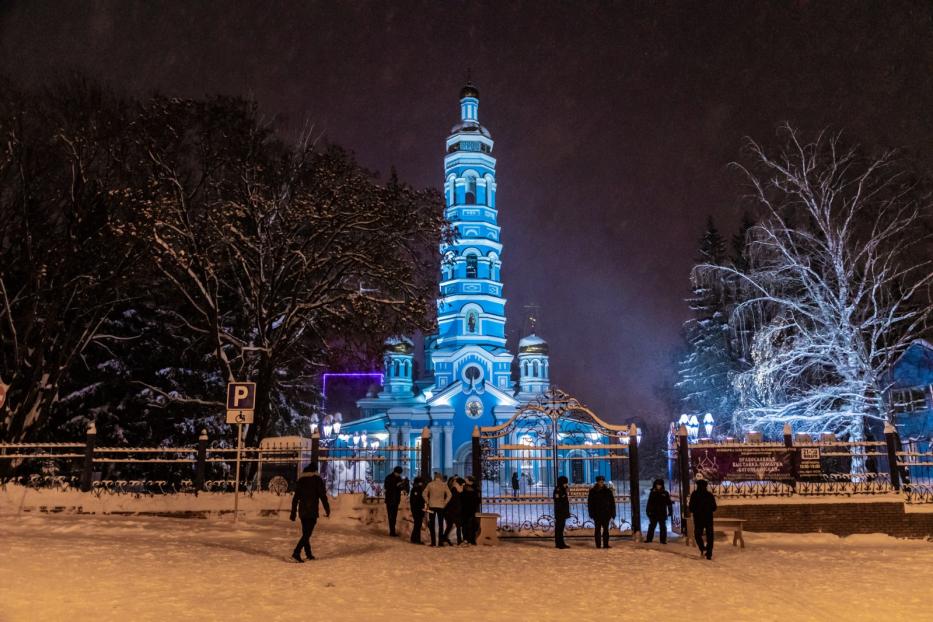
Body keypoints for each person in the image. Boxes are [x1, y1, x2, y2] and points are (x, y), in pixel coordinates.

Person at [289, 464, 331, 563]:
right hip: (312, 510)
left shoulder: (301, 480)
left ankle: (308, 554)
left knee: (305, 533)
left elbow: (295, 498)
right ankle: (296, 552)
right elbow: (322, 496)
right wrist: (327, 508)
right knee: (307, 534)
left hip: (302, 511)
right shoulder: (317, 479)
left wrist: (293, 512)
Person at [688, 476, 717, 560]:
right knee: (710, 536)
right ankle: (709, 554)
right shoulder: (709, 495)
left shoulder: (694, 494)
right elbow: (714, 507)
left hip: (698, 519)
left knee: (697, 534)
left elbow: (691, 508)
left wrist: (696, 510)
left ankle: (703, 549)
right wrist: (708, 509)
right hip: (708, 518)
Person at [423, 472, 451, 546]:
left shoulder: (430, 484)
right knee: (441, 524)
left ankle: (433, 542)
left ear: (434, 477)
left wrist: (428, 501)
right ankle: (440, 542)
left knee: (432, 524)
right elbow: (449, 495)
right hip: (441, 506)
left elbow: (424, 494)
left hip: (432, 506)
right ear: (440, 477)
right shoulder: (444, 485)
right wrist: (445, 502)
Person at [587, 475, 615, 549]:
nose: (601, 482)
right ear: (597, 482)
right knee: (597, 530)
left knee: (606, 530)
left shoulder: (608, 491)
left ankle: (606, 544)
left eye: (602, 481)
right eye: (600, 481)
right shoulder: (593, 491)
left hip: (606, 513)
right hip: (597, 513)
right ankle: (598, 545)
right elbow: (590, 503)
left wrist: (613, 513)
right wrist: (591, 513)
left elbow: (612, 503)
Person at [645, 478, 673, 544]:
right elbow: (649, 503)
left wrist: (670, 511)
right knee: (652, 526)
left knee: (663, 527)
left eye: (660, 485)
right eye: (657, 485)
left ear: (662, 485)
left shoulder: (665, 493)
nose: (658, 486)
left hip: (662, 512)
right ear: (655, 485)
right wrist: (648, 511)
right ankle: (649, 539)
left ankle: (663, 540)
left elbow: (669, 503)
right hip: (653, 512)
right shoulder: (652, 492)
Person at [383, 466, 407, 537]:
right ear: (395, 472)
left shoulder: (398, 478)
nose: (399, 474)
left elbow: (400, 488)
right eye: (398, 473)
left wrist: (402, 485)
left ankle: (393, 531)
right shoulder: (388, 477)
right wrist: (396, 485)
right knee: (391, 516)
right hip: (390, 500)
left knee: (394, 516)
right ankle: (392, 531)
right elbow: (387, 487)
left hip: (396, 500)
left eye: (400, 473)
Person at [443, 476, 464, 545]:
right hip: (453, 511)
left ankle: (444, 537)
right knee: (457, 526)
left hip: (449, 511)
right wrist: (458, 510)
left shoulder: (452, 490)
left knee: (450, 525)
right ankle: (459, 541)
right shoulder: (455, 491)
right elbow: (456, 503)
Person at [460, 476, 480, 545]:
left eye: (466, 479)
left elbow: (462, 498)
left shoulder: (465, 488)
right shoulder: (476, 488)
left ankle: (466, 538)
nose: (465, 481)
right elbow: (478, 499)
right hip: (472, 509)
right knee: (472, 524)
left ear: (469, 480)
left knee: (466, 525)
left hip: (466, 509)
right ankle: (472, 539)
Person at [553, 475, 570, 549]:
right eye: (565, 483)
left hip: (563, 512)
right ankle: (559, 543)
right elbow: (558, 501)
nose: (566, 484)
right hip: (560, 512)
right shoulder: (558, 490)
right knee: (559, 528)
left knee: (561, 528)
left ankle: (561, 543)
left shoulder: (563, 489)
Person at [409, 475, 426, 544]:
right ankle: (416, 539)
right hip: (417, 510)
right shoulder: (416, 489)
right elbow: (416, 500)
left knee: (417, 524)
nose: (422, 483)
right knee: (418, 525)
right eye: (421, 482)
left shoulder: (417, 488)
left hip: (417, 509)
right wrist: (421, 507)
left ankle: (414, 538)